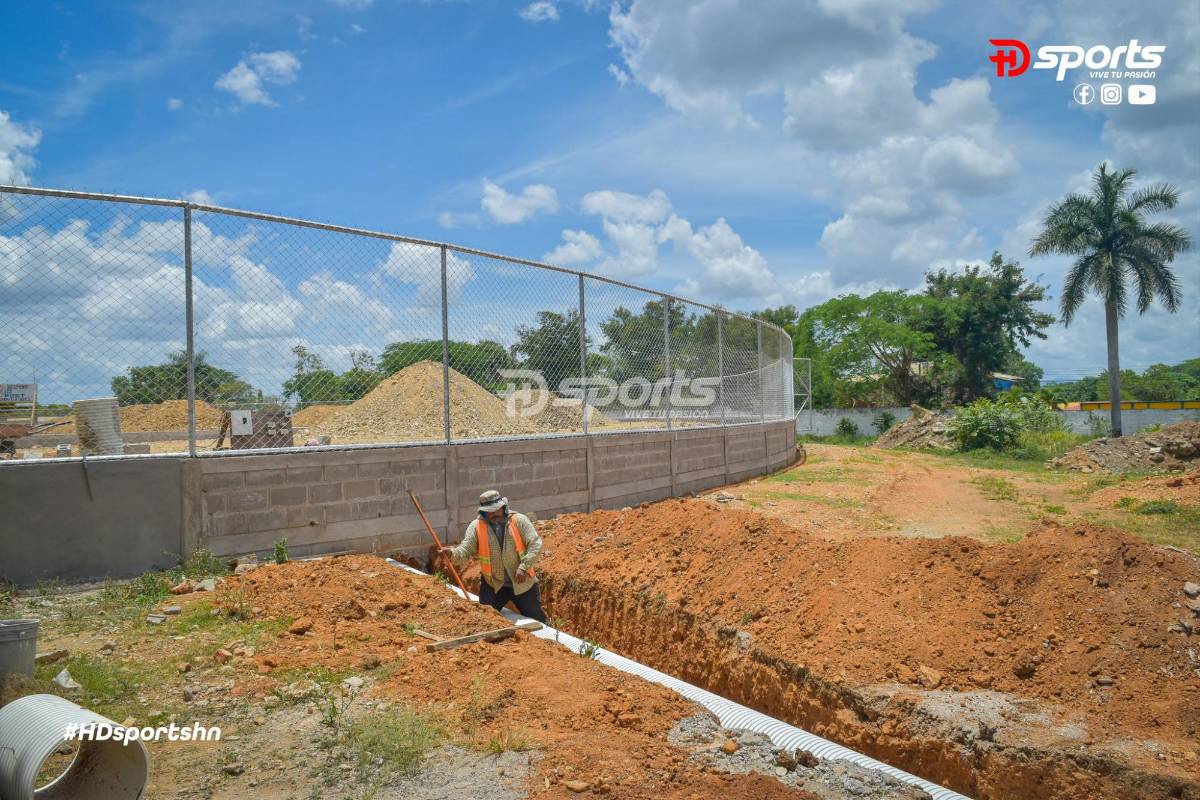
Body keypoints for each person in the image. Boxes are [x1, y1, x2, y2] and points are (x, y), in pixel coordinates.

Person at [441, 489, 546, 622]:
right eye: (490, 511)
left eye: (496, 509)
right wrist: (452, 553)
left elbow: (535, 544)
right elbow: (466, 549)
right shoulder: (476, 526)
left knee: (538, 621)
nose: (494, 513)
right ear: (483, 511)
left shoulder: (519, 521)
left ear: (503, 507)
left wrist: (524, 567)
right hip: (494, 585)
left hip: (523, 584)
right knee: (485, 620)